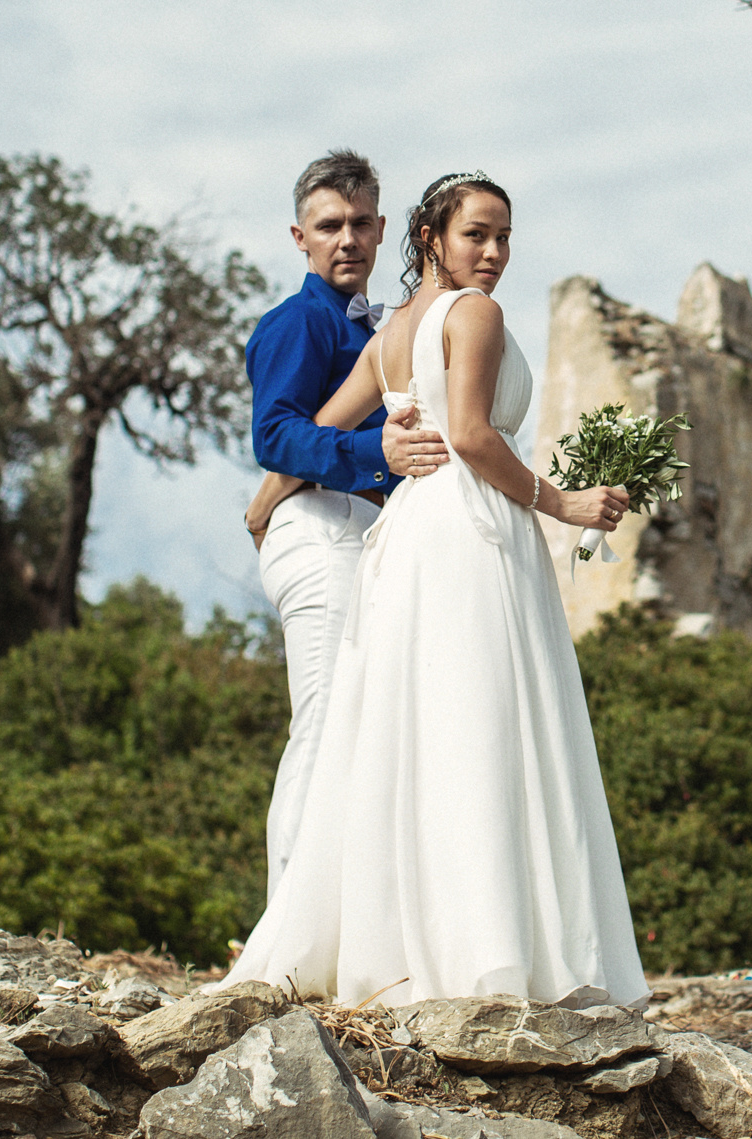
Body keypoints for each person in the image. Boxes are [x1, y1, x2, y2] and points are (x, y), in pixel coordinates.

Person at [218, 170, 648, 1005]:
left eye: (504, 237)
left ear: (389, 231)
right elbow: (475, 433)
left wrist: (271, 489)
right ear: (432, 240)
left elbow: (325, 422)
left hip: (408, 529)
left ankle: (399, 938)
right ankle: (490, 944)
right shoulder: (473, 313)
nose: (494, 253)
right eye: (476, 234)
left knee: (412, 729)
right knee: (483, 724)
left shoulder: (393, 331)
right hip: (470, 522)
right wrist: (563, 503)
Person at [243, 149, 449, 903]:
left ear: (383, 227)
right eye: (329, 225)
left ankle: (340, 920)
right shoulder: (297, 321)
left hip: (363, 532)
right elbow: (276, 435)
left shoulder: (378, 325)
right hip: (321, 528)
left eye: (361, 223)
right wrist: (375, 451)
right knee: (327, 719)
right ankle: (283, 932)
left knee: (368, 732)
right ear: (299, 235)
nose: (348, 239)